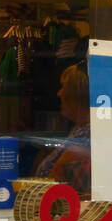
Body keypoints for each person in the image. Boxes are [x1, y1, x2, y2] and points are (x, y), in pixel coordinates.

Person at [32, 61, 92, 197]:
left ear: (77, 95)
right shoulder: (79, 129)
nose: (59, 93)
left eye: (64, 87)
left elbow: (57, 181)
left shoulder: (85, 136)